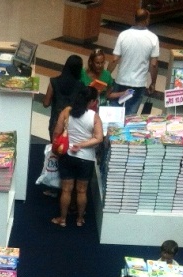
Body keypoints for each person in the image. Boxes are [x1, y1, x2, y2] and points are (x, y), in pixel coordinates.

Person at [52, 86, 103, 228]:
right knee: (82, 190)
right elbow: (99, 138)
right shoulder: (94, 117)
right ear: (92, 101)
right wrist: (82, 145)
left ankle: (62, 219)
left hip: (66, 154)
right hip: (85, 158)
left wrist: (56, 149)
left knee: (66, 189)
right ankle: (80, 219)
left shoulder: (67, 112)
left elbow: (57, 132)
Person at [110, 9, 161, 116]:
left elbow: (114, 59)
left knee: (114, 113)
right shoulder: (153, 38)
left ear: (134, 19)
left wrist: (106, 75)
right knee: (130, 116)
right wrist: (153, 82)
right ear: (147, 20)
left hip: (121, 80)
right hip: (138, 83)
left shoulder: (123, 35)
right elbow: (153, 64)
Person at [43, 55, 85, 141]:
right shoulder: (80, 86)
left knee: (55, 148)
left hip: (55, 122)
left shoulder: (53, 81)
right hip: (72, 123)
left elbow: (46, 103)